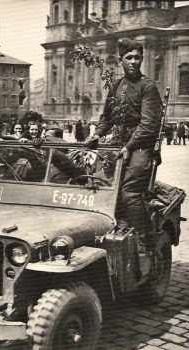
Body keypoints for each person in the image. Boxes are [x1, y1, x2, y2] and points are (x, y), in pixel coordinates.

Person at [87, 38, 162, 261]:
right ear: (120, 60)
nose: (133, 62)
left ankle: (145, 239)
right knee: (97, 185)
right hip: (117, 144)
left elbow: (149, 125)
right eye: (128, 58)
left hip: (141, 147)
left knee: (129, 193)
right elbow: (106, 118)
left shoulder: (148, 86)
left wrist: (129, 147)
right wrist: (97, 134)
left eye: (137, 57)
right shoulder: (116, 86)